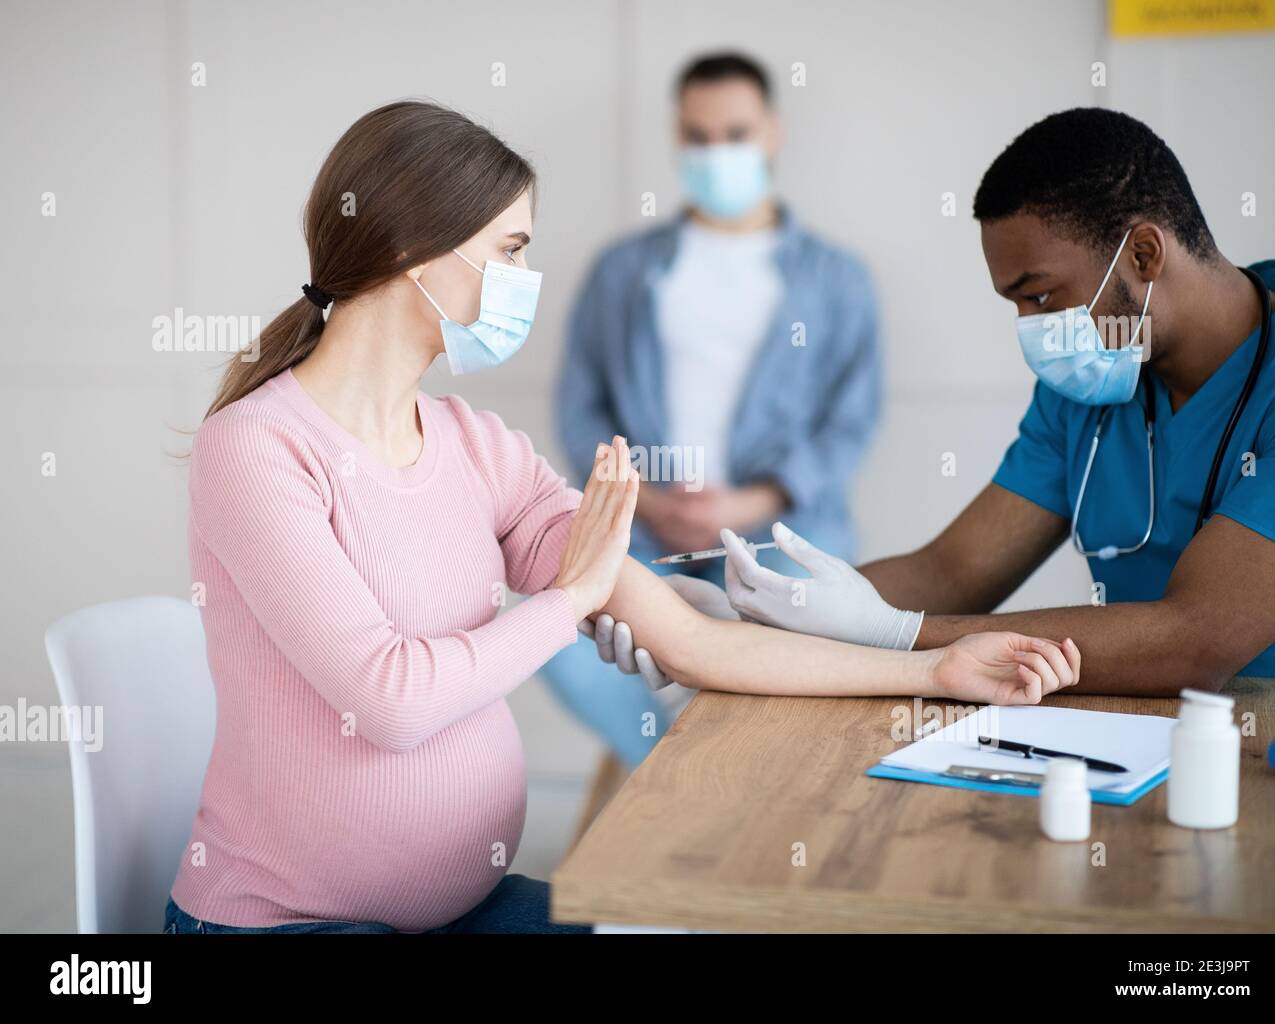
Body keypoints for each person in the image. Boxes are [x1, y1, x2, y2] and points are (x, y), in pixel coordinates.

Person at [165, 101, 1080, 936]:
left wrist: (932, 667)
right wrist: (568, 603)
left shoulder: (473, 444)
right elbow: (393, 701)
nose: (527, 277)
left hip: (459, 908)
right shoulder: (254, 450)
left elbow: (689, 640)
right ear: (416, 251)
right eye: (512, 249)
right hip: (286, 924)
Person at [610, 108, 1275, 696]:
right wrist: (742, 623)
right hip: (1137, 724)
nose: (1033, 327)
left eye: (1039, 294)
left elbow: (1199, 636)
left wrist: (896, 633)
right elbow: (953, 570)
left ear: (1145, 254)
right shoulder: (1094, 383)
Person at [542, 52, 883, 767]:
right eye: (697, 136)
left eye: (735, 132)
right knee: (559, 642)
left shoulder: (835, 279)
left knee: (799, 661)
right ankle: (674, 772)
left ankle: (714, 779)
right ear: (676, 136)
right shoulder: (623, 271)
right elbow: (581, 402)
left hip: (783, 530)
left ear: (773, 132)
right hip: (646, 525)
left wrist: (752, 499)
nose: (714, 152)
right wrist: (650, 503)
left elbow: (850, 419)